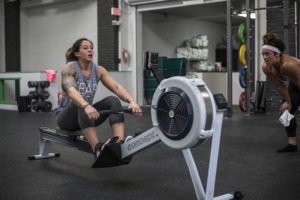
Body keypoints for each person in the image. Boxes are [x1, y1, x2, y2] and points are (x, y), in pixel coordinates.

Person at [55, 38, 142, 160]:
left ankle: (119, 144)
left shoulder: (99, 70)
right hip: (66, 119)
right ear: (77, 53)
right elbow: (71, 90)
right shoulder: (69, 69)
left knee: (113, 100)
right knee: (81, 102)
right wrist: (86, 105)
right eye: (85, 48)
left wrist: (132, 101)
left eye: (91, 47)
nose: (90, 50)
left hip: (86, 117)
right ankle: (97, 149)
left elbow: (117, 87)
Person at [261, 33, 300, 153]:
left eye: (268, 54)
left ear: (277, 54)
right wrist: (288, 102)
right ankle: (292, 145)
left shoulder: (288, 65)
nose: (265, 57)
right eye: (263, 54)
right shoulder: (266, 67)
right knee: (286, 112)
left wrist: (292, 102)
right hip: (296, 84)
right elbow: (279, 85)